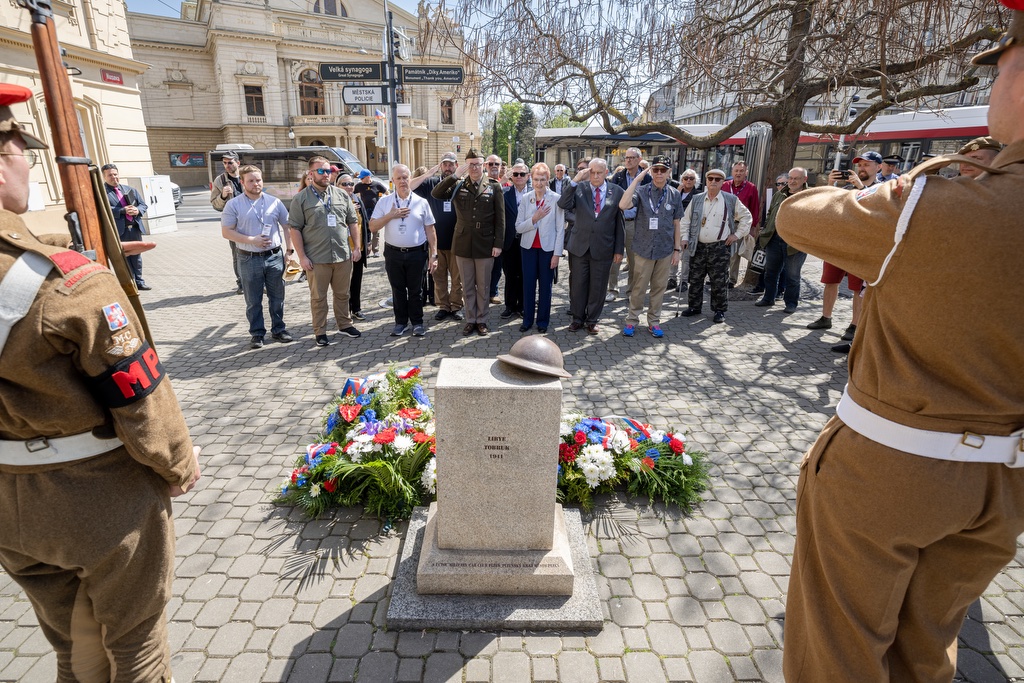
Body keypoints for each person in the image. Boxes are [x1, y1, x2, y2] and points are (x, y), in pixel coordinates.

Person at [777, 7, 1024, 679]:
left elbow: (795, 214)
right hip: (1001, 484)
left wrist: (915, 181)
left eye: (999, 69)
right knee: (924, 652)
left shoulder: (935, 203)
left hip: (889, 471)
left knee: (839, 653)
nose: (990, 90)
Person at [0, 82, 201, 683]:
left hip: (8, 504)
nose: (29, 166)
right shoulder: (63, 281)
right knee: (134, 648)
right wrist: (178, 463)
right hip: (94, 499)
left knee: (71, 644)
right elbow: (140, 396)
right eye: (21, 152)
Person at [809, 150, 884, 352]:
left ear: (879, 167)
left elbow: (875, 215)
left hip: (861, 250)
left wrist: (861, 188)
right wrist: (831, 186)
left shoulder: (882, 190)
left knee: (857, 289)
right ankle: (826, 318)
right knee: (830, 281)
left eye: (867, 165)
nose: (862, 168)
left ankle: (854, 325)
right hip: (839, 246)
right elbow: (825, 207)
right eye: (860, 165)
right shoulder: (848, 188)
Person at [289, 156, 362, 346]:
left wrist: (357, 248)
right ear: (311, 174)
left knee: (343, 294)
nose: (325, 174)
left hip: (342, 256)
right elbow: (294, 228)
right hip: (316, 258)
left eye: (328, 171)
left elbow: (353, 222)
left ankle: (344, 324)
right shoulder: (301, 198)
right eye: (321, 171)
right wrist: (302, 257)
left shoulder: (341, 195)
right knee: (318, 298)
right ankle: (320, 331)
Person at [431, 150, 505, 336]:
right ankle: (470, 319)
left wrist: (498, 244)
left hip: (486, 243)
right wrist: (455, 175)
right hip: (463, 243)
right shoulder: (458, 184)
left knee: (484, 286)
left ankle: (482, 320)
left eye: (478, 164)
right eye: (470, 164)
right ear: (465, 166)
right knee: (467, 285)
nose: (474, 168)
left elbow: (500, 218)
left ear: (484, 166)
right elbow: (436, 193)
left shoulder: (494, 186)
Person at [221, 165, 294, 349]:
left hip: (274, 257)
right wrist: (252, 240)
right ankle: (257, 333)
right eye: (251, 181)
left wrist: (289, 251)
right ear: (243, 182)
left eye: (258, 180)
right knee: (253, 300)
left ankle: (278, 330)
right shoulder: (234, 204)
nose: (256, 184)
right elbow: (226, 232)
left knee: (277, 297)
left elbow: (288, 227)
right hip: (248, 258)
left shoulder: (274, 202)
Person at [557, 158, 625, 335]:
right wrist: (576, 179)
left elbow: (619, 223)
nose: (595, 176)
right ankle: (577, 319)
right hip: (579, 247)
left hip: (603, 248)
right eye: (592, 172)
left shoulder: (617, 192)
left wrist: (619, 249)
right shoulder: (580, 188)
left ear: (606, 173)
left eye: (599, 172)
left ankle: (592, 320)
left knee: (598, 286)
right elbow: (563, 204)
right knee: (578, 285)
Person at [618, 155, 684, 338]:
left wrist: (677, 250)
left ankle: (654, 322)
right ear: (651, 171)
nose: (659, 173)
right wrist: (638, 178)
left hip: (665, 249)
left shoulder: (675, 194)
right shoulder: (641, 191)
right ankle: (631, 320)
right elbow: (623, 204)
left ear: (669, 172)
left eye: (663, 170)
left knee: (659, 288)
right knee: (639, 287)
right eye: (656, 169)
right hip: (643, 248)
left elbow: (677, 223)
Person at [369, 164, 438, 337]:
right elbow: (372, 226)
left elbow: (431, 230)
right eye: (398, 178)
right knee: (397, 290)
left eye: (405, 177)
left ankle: (417, 322)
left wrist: (434, 254)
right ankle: (400, 323)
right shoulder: (384, 202)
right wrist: (390, 215)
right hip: (394, 254)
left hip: (417, 254)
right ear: (393, 181)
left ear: (410, 179)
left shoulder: (421, 202)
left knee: (416, 290)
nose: (402, 181)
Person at [680, 168, 752, 324]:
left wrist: (737, 235)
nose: (713, 181)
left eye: (717, 179)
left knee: (719, 280)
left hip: (719, 247)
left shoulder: (730, 200)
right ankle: (694, 307)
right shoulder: (697, 198)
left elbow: (747, 217)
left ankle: (719, 310)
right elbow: (685, 220)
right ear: (706, 181)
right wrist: (685, 238)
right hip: (698, 246)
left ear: (722, 183)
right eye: (710, 178)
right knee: (695, 278)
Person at [412, 153, 464, 322]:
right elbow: (410, 187)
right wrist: (427, 174)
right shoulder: (431, 183)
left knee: (458, 279)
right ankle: (444, 306)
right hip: (436, 241)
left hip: (457, 242)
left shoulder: (461, 184)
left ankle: (456, 306)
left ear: (456, 165)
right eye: (445, 164)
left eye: (451, 164)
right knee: (439, 277)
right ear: (440, 166)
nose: (448, 167)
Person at [515, 162, 564, 334]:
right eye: (536, 179)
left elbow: (560, 230)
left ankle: (542, 321)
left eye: (542, 179)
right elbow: (518, 227)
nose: (539, 183)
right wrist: (534, 219)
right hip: (528, 249)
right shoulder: (526, 198)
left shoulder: (556, 199)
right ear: (531, 179)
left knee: (546, 287)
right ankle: (527, 320)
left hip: (547, 250)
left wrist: (557, 254)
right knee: (528, 286)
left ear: (548, 179)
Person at [753, 167, 808, 314]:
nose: (792, 181)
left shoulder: (809, 196)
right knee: (770, 272)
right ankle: (768, 298)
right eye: (790, 178)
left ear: (804, 180)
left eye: (796, 178)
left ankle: (791, 303)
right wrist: (766, 230)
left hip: (795, 243)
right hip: (774, 239)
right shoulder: (779, 194)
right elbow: (770, 212)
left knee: (792, 275)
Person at [608, 147, 651, 301]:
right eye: (626, 157)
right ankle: (612, 290)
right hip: (618, 222)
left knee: (634, 261)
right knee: (615, 258)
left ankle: (631, 291)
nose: (628, 160)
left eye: (632, 158)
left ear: (639, 159)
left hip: (636, 224)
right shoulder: (618, 177)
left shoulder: (646, 178)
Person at [101, 163, 150, 290]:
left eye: (115, 174)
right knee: (124, 257)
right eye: (110, 175)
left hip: (134, 228)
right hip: (118, 230)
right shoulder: (102, 193)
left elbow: (143, 205)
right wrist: (121, 210)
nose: (114, 177)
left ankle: (139, 281)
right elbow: (102, 209)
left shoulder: (129, 190)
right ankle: (130, 282)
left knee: (137, 256)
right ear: (104, 176)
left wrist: (137, 210)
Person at [209, 150, 245, 294]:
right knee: (237, 254)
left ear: (238, 162)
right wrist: (223, 196)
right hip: (233, 225)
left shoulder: (246, 176)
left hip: (250, 222)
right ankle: (241, 283)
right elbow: (215, 205)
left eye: (230, 162)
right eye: (224, 163)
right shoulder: (220, 181)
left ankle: (256, 282)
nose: (227, 165)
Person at [721, 161, 760, 287]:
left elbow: (754, 208)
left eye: (741, 171)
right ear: (732, 172)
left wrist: (753, 227)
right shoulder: (724, 185)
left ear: (746, 173)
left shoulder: (751, 187)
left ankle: (731, 279)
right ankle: (719, 276)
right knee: (720, 250)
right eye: (736, 171)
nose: (738, 173)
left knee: (734, 253)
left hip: (739, 224)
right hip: (723, 223)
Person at [336, 173, 370, 321]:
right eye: (344, 184)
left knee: (356, 280)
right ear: (337, 186)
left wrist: (368, 242)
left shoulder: (357, 199)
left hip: (358, 248)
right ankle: (344, 313)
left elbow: (366, 222)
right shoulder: (334, 202)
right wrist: (347, 209)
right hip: (342, 251)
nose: (349, 187)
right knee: (342, 285)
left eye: (351, 184)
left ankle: (356, 308)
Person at [500, 162, 531, 320]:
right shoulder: (504, 192)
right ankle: (510, 306)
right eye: (516, 174)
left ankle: (523, 306)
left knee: (526, 275)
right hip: (509, 241)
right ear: (511, 176)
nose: (519, 177)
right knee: (510, 275)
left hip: (529, 240)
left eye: (522, 174)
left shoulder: (534, 192)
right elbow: (488, 191)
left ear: (528, 176)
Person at [667, 168, 698, 293]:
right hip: (673, 227)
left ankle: (684, 281)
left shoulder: (697, 195)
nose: (688, 181)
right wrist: (677, 192)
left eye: (691, 178)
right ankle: (672, 278)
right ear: (681, 180)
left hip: (688, 228)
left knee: (685, 257)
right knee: (673, 254)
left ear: (696, 181)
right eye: (686, 178)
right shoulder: (675, 192)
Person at [485, 154, 505, 304]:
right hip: (483, 233)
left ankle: (493, 291)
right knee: (482, 267)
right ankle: (482, 293)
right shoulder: (481, 182)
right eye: (490, 163)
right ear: (485, 165)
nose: (493, 166)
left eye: (496, 164)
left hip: (499, 232)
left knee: (497, 266)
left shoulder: (508, 184)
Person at [354, 169, 387, 257]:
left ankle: (375, 250)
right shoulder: (359, 185)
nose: (360, 180)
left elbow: (387, 192)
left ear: (368, 177)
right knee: (366, 230)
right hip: (364, 211)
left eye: (362, 178)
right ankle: (367, 250)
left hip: (375, 211)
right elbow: (352, 194)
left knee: (375, 231)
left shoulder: (377, 185)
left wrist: (384, 202)